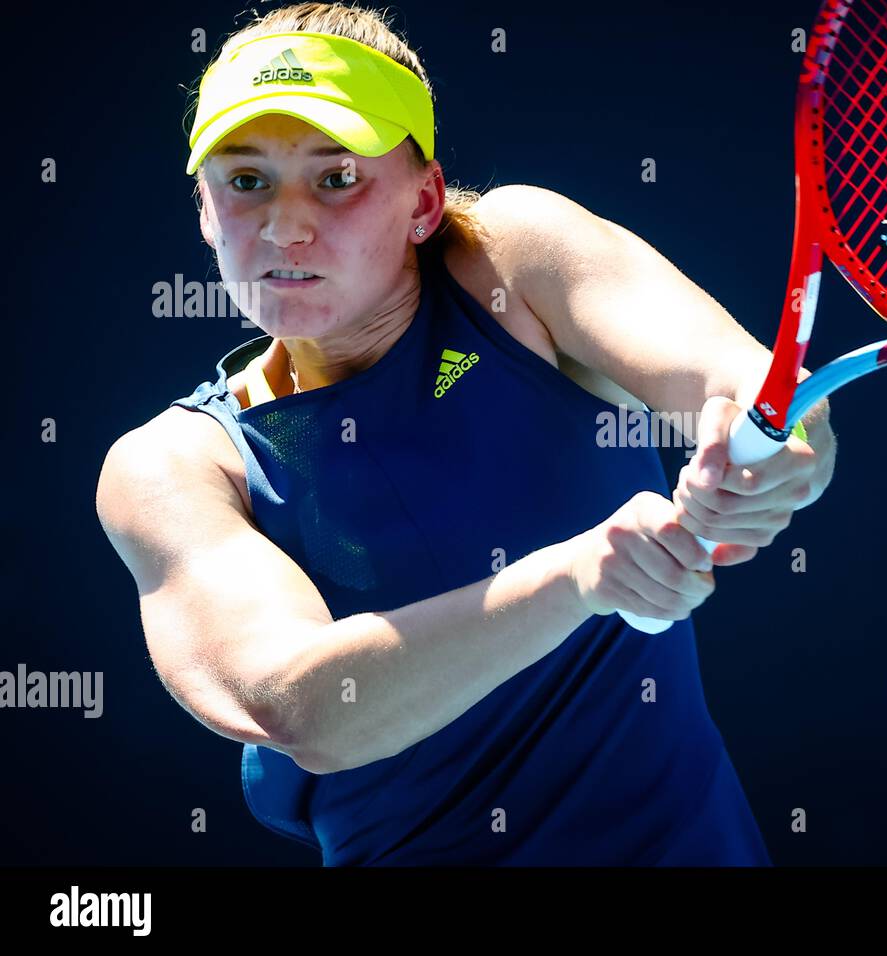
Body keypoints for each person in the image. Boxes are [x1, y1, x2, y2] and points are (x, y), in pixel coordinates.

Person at [96, 2, 836, 865]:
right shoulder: (176, 466)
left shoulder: (514, 262)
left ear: (425, 200)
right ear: (204, 210)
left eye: (337, 178)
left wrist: (769, 457)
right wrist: (580, 577)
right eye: (246, 179)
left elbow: (755, 392)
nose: (284, 227)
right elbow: (301, 707)